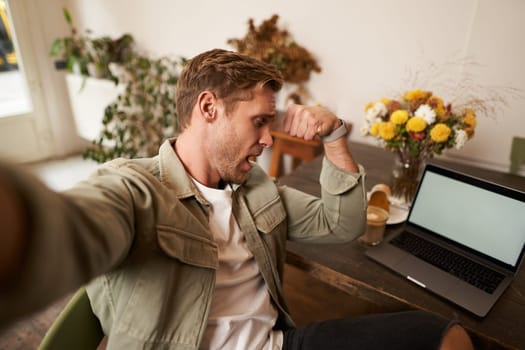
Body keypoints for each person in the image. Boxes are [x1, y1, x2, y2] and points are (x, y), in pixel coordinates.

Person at [0, 48, 473, 350]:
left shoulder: (256, 190)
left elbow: (342, 222)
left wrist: (334, 134)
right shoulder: (135, 190)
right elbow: (68, 230)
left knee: (446, 336)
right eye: (259, 121)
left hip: (277, 344)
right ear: (208, 108)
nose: (269, 140)